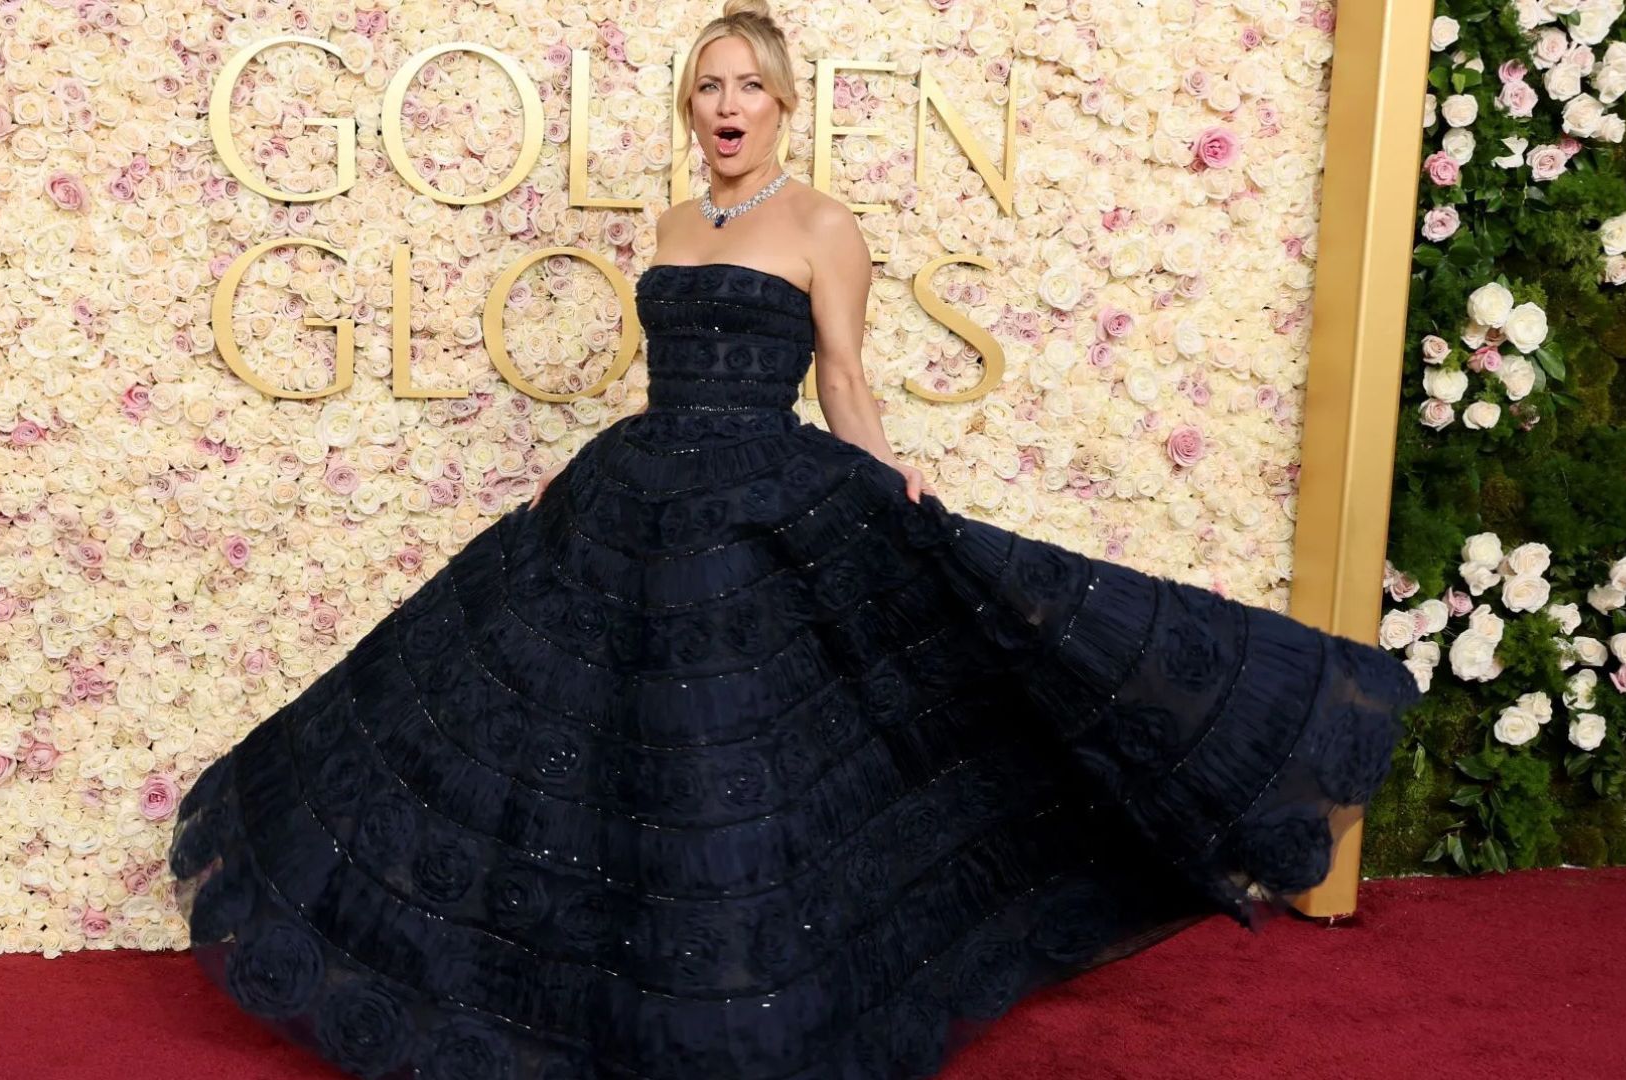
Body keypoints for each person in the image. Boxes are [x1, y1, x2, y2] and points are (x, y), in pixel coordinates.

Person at [165, 1, 1422, 1077]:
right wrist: (564, 490)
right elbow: (666, 378)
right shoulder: (664, 225)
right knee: (587, 741)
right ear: (689, 108)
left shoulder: (824, 226)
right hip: (639, 496)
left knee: (737, 755)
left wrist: (894, 488)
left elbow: (844, 380)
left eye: (748, 86)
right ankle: (626, 1001)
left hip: (760, 510)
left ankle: (746, 1014)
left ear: (782, 105)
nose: (728, 104)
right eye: (708, 86)